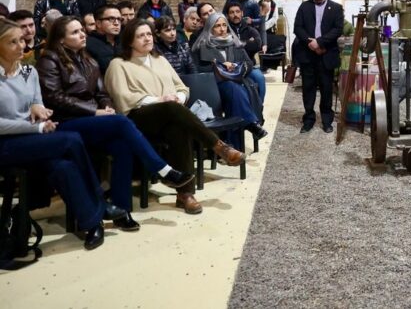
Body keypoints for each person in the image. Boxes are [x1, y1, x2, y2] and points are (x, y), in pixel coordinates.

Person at [37, 16, 194, 231]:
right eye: (75, 32)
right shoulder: (49, 60)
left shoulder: (88, 60)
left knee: (123, 146)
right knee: (122, 122)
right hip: (66, 123)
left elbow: (102, 92)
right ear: (61, 39)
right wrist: (96, 112)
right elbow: (54, 97)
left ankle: (122, 210)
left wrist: (107, 107)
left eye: (82, 30)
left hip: (93, 121)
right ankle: (162, 169)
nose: (82, 34)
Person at [104, 20, 245, 215]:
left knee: (180, 128)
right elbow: (122, 97)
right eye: (140, 35)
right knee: (172, 110)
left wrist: (179, 97)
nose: (147, 38)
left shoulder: (159, 60)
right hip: (137, 118)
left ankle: (185, 194)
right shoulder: (119, 64)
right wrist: (159, 100)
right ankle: (219, 146)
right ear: (129, 41)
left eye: (149, 34)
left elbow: (181, 87)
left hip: (170, 114)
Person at [0, 18, 118, 250]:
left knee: (62, 166)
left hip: (30, 139)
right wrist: (36, 127)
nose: (21, 46)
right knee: (71, 139)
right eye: (12, 42)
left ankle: (92, 222)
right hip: (5, 143)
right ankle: (100, 204)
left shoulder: (28, 72)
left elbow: (37, 101)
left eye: (22, 41)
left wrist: (37, 108)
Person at [191, 13, 267, 141]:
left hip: (236, 82)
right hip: (213, 86)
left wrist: (236, 66)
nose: (222, 29)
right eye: (217, 26)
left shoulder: (234, 43)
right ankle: (251, 123)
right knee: (234, 89)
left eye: (224, 25)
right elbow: (196, 70)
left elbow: (248, 63)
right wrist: (219, 66)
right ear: (210, 28)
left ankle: (233, 145)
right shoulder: (201, 47)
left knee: (236, 95)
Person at [292, 0, 344, 133]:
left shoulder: (336, 8)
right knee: (308, 90)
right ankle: (308, 119)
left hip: (326, 54)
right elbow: (298, 28)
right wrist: (311, 44)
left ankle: (327, 120)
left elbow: (338, 29)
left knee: (327, 89)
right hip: (308, 55)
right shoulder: (304, 7)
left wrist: (320, 42)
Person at [87, 4, 123, 75]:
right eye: (111, 19)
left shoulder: (124, 41)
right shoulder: (89, 44)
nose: (116, 23)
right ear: (98, 23)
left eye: (119, 19)